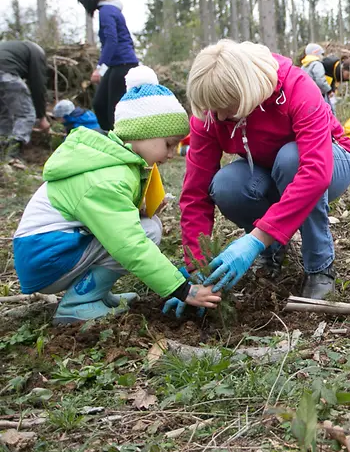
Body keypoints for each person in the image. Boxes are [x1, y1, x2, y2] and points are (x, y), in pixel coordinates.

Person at [12, 66, 220, 324]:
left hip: (50, 250)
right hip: (45, 256)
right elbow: (128, 243)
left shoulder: (112, 162)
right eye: (168, 143)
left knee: (148, 225)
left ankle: (97, 293)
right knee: (144, 232)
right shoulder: (108, 178)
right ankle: (79, 302)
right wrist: (182, 289)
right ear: (142, 132)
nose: (170, 153)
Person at [180, 40, 350, 300]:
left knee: (291, 159)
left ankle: (319, 266)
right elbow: (195, 193)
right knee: (226, 184)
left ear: (246, 92)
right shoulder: (210, 114)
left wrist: (256, 237)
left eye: (225, 109)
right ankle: (272, 253)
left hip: (328, 162)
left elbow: (315, 172)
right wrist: (196, 268)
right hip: (266, 169)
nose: (217, 118)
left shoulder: (296, 87)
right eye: (211, 110)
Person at [75, 0, 139, 131]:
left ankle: (120, 145)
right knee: (100, 104)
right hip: (117, 64)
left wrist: (100, 69)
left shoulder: (106, 11)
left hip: (123, 64)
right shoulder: (109, 10)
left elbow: (112, 40)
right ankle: (110, 139)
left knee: (113, 109)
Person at [0, 40, 50, 159]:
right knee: (26, 115)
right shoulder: (37, 53)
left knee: (4, 115)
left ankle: (2, 150)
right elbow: (37, 85)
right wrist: (41, 117)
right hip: (7, 74)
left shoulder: (16, 48)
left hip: (4, 71)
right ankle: (12, 156)